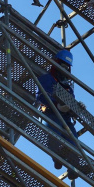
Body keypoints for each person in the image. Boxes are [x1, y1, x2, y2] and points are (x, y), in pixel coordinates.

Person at [36, 49, 79, 177]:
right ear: (56, 64)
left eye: (67, 67)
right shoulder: (46, 79)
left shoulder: (68, 88)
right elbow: (41, 96)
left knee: (73, 141)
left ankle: (73, 167)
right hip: (51, 114)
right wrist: (57, 105)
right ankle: (57, 158)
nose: (64, 70)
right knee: (54, 134)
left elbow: (71, 102)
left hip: (65, 118)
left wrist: (76, 108)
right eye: (63, 65)